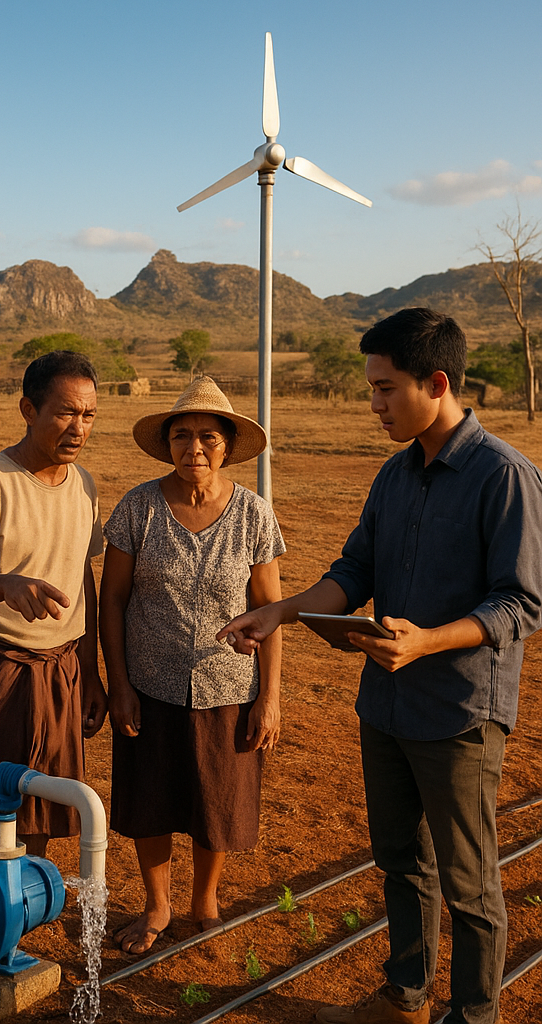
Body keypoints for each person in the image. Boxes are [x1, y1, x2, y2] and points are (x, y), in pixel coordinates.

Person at [218, 308, 542, 1024]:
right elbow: (354, 569)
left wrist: (427, 641)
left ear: (436, 382)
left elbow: (520, 604)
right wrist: (287, 611)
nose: (373, 405)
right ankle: (406, 996)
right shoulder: (395, 476)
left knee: (468, 881)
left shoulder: (505, 477)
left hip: (458, 713)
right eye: (370, 389)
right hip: (386, 706)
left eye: (386, 389)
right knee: (399, 860)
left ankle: (474, 1013)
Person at [99, 376, 284, 954]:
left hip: (228, 686)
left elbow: (269, 610)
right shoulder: (140, 507)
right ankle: (157, 906)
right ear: (167, 444)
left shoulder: (253, 515)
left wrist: (270, 697)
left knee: (216, 801)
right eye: (182, 435)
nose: (194, 447)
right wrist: (119, 685)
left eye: (208, 436)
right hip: (149, 685)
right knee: (149, 797)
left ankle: (205, 901)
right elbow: (112, 600)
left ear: (228, 445)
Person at [0, 349, 108, 858]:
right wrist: (4, 584)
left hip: (63, 670)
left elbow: (83, 579)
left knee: (44, 806)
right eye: (65, 412)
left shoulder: (85, 486)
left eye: (89, 415)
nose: (78, 428)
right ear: (28, 410)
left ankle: (22, 901)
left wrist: (91, 671)